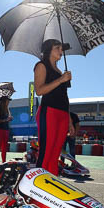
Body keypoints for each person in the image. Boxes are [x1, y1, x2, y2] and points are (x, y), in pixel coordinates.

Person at [33, 39, 73, 175]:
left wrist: (70, 122)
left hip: (62, 114)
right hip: (48, 112)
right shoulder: (41, 65)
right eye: (58, 48)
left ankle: (50, 189)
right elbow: (39, 90)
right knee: (46, 153)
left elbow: (64, 98)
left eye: (62, 49)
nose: (61, 51)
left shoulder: (60, 71)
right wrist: (61, 80)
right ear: (49, 50)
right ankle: (35, 193)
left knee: (55, 155)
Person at [0, 97, 12, 164]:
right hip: (0, 130)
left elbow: (8, 118)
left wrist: (10, 118)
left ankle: (4, 162)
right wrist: (5, 120)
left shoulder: (7, 109)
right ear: (3, 101)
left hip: (6, 130)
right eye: (8, 101)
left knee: (5, 148)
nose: (9, 102)